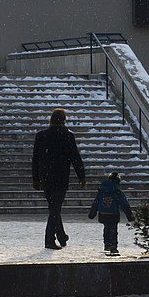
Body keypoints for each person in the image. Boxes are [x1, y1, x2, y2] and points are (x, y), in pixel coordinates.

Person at [31, 108, 87, 250]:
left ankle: (61, 236)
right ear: (64, 120)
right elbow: (75, 157)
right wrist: (82, 176)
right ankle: (49, 239)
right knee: (55, 208)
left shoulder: (41, 136)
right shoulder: (67, 136)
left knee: (54, 207)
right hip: (60, 178)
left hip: (46, 177)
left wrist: (35, 178)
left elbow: (35, 159)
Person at [88, 171, 133, 256]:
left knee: (106, 228)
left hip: (103, 213)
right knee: (113, 230)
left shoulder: (101, 191)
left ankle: (107, 244)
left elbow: (96, 202)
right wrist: (130, 216)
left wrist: (92, 214)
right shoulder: (117, 192)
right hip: (113, 213)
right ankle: (113, 246)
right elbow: (124, 204)